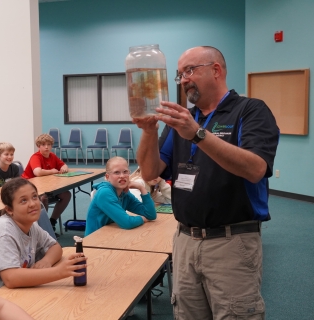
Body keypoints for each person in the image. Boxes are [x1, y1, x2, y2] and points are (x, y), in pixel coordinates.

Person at [134, 46, 279, 319]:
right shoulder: (181, 120)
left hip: (232, 242)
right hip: (184, 240)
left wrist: (198, 134)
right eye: (180, 74)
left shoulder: (250, 110)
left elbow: (255, 168)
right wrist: (149, 131)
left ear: (216, 70)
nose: (185, 79)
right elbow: (150, 171)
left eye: (190, 70)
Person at [0, 177, 87, 291]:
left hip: (16, 294)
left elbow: (55, 247)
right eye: (23, 200)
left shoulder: (31, 225)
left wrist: (46, 261)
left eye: (34, 197)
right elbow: (11, 278)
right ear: (9, 210)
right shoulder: (3, 231)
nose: (32, 204)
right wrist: (59, 272)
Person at [85, 157, 157, 237]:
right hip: (94, 241)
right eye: (117, 172)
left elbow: (151, 215)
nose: (122, 176)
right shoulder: (105, 193)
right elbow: (127, 223)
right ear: (107, 176)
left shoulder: (124, 193)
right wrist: (142, 219)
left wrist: (141, 188)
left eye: (125, 172)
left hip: (112, 236)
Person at [21, 133, 72, 235]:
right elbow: (37, 172)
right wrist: (53, 171)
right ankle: (43, 227)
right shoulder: (36, 157)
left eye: (49, 144)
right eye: (43, 145)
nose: (46, 147)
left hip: (48, 186)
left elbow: (63, 165)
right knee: (44, 198)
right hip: (30, 187)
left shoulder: (52, 156)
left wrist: (64, 167)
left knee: (66, 195)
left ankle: (51, 222)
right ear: (38, 146)